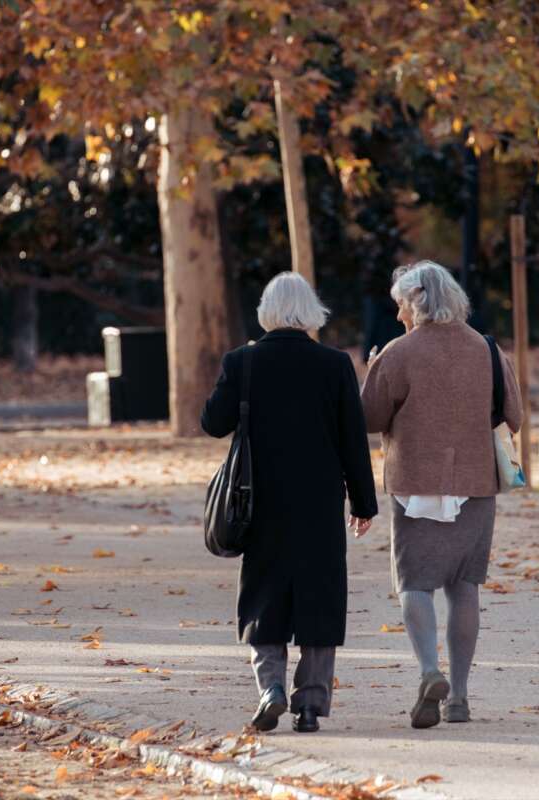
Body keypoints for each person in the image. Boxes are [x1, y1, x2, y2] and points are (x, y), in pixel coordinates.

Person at [201, 272, 377, 734]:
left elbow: (212, 423)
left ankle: (271, 688)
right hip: (319, 501)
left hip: (260, 500)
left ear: (267, 311)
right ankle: (311, 705)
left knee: (263, 595)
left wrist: (231, 385)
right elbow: (352, 442)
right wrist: (364, 503)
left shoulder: (243, 363)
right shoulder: (335, 365)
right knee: (319, 599)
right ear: (310, 311)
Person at [360, 260, 522, 728]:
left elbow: (369, 419)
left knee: (414, 584)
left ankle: (430, 671)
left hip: (415, 484)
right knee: (464, 587)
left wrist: (373, 369)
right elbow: (514, 416)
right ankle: (461, 697)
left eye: (399, 307)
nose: (397, 317)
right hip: (475, 484)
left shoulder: (398, 352)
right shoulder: (486, 350)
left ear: (415, 303)